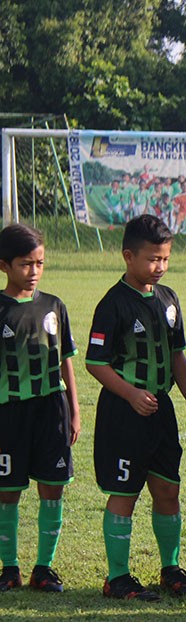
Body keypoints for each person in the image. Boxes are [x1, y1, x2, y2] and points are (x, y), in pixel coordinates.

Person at [86, 214, 186, 601]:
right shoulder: (112, 304)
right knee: (126, 492)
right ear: (128, 256)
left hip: (161, 411)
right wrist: (131, 394)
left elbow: (176, 354)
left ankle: (170, 569)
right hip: (124, 413)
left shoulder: (168, 300)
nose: (160, 267)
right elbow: (96, 362)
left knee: (168, 490)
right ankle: (117, 578)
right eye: (153, 259)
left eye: (165, 259)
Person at [0, 224, 80, 593]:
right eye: (25, 264)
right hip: (9, 411)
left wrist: (75, 410)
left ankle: (44, 568)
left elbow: (66, 360)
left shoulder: (54, 306)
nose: (33, 272)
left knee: (53, 486)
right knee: (8, 490)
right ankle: (10, 567)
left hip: (52, 408)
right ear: (4, 265)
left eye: (40, 263)